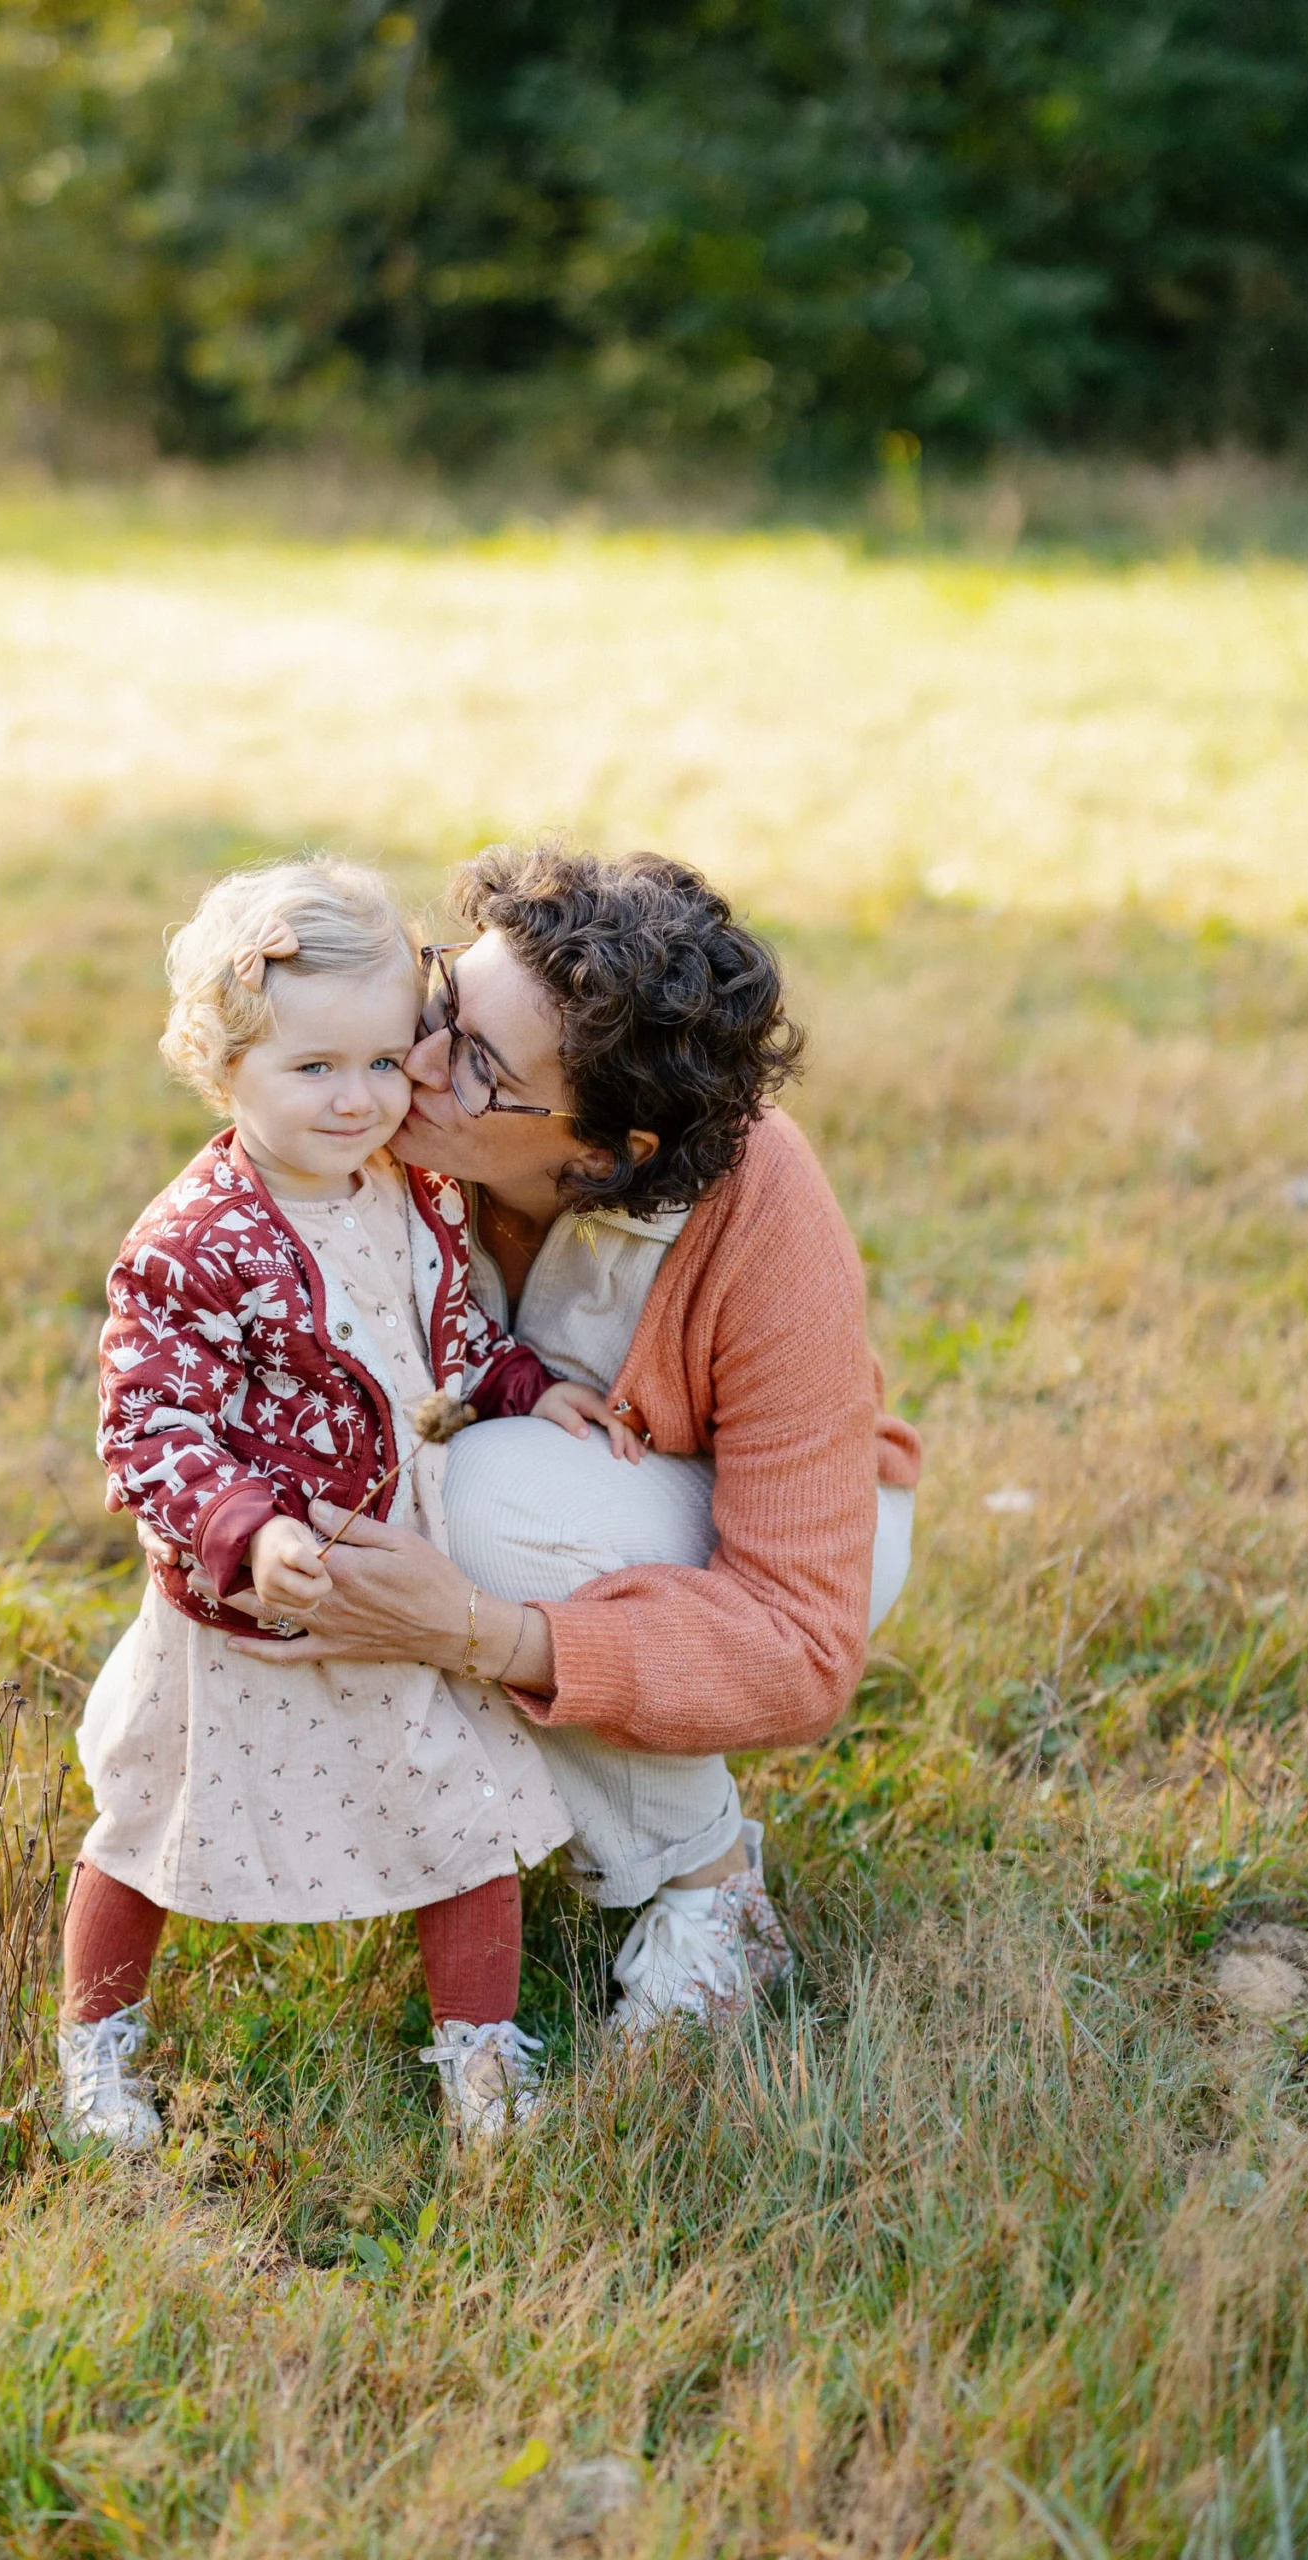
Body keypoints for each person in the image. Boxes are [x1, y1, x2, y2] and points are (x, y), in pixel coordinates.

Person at [226, 843, 922, 2036]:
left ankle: (710, 1889)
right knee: (411, 1489)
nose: (418, 1065)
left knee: (481, 1501)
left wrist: (487, 1635)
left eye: (480, 1067)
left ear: (603, 1157)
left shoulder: (765, 1221)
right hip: (537, 1485)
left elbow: (804, 1645)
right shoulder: (383, 1113)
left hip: (790, 1546)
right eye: (445, 1004)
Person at [63, 857, 642, 2148]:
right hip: (253, 1610)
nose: (357, 1098)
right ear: (224, 1069)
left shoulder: (406, 1190)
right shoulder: (193, 1243)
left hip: (393, 1576)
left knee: (462, 1824)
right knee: (151, 1827)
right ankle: (96, 2054)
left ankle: (479, 2061)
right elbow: (148, 1426)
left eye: (384, 1064)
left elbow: (430, 1328)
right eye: (311, 1068)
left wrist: (512, 1383)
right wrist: (245, 1531)